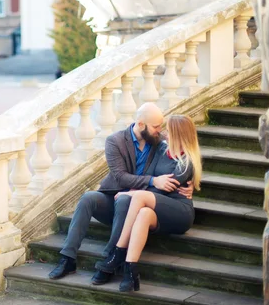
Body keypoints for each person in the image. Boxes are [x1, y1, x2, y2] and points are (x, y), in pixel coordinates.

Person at [48, 103, 193, 285]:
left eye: (161, 127)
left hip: (136, 202)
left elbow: (186, 148)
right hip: (114, 197)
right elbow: (121, 177)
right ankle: (67, 258)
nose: (161, 131)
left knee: (126, 199)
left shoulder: (158, 141)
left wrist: (191, 182)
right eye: (156, 127)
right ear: (141, 124)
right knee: (88, 198)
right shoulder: (114, 141)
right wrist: (152, 181)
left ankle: (110, 259)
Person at [95, 115, 202, 292]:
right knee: (143, 214)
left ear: (178, 134)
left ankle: (117, 252)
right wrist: (138, 190)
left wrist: (133, 192)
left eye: (169, 130)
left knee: (138, 198)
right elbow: (151, 176)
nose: (164, 133)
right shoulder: (162, 150)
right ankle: (131, 271)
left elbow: (164, 188)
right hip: (157, 205)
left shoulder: (187, 161)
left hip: (179, 211)